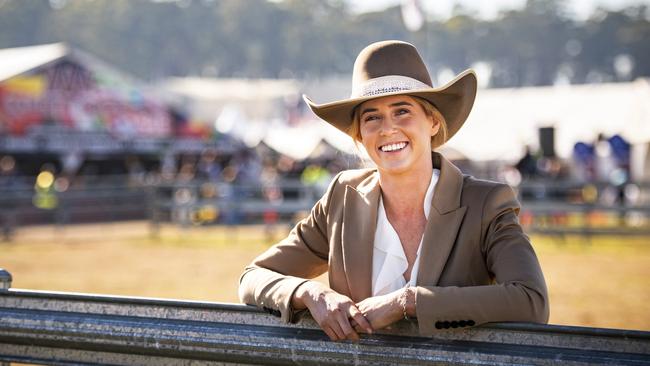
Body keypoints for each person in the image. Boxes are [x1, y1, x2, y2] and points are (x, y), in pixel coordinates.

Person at [239, 40, 549, 341]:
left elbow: (531, 300)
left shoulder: (486, 203)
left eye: (402, 111)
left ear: (432, 121)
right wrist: (309, 292)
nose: (388, 128)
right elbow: (253, 277)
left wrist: (408, 302)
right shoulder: (342, 198)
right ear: (360, 134)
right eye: (372, 117)